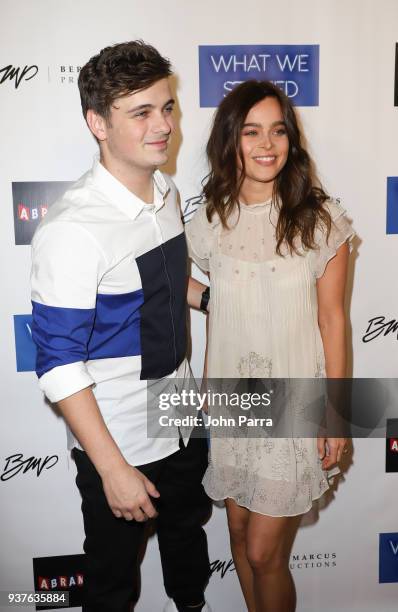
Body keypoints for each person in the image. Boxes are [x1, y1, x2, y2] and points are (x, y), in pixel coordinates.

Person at [30, 40, 212, 612]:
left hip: (182, 417)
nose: (164, 126)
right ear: (97, 123)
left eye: (167, 107)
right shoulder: (72, 229)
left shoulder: (165, 191)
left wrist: (218, 301)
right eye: (142, 113)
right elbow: (59, 365)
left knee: (188, 552)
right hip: (122, 443)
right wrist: (112, 470)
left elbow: (161, 281)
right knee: (111, 587)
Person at [185, 80, 354, 612]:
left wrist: (336, 413)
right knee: (237, 536)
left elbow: (334, 322)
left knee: (264, 554)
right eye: (251, 131)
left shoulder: (320, 222)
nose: (266, 143)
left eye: (278, 130)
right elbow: (216, 303)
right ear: (230, 141)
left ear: (291, 140)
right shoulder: (210, 220)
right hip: (233, 402)